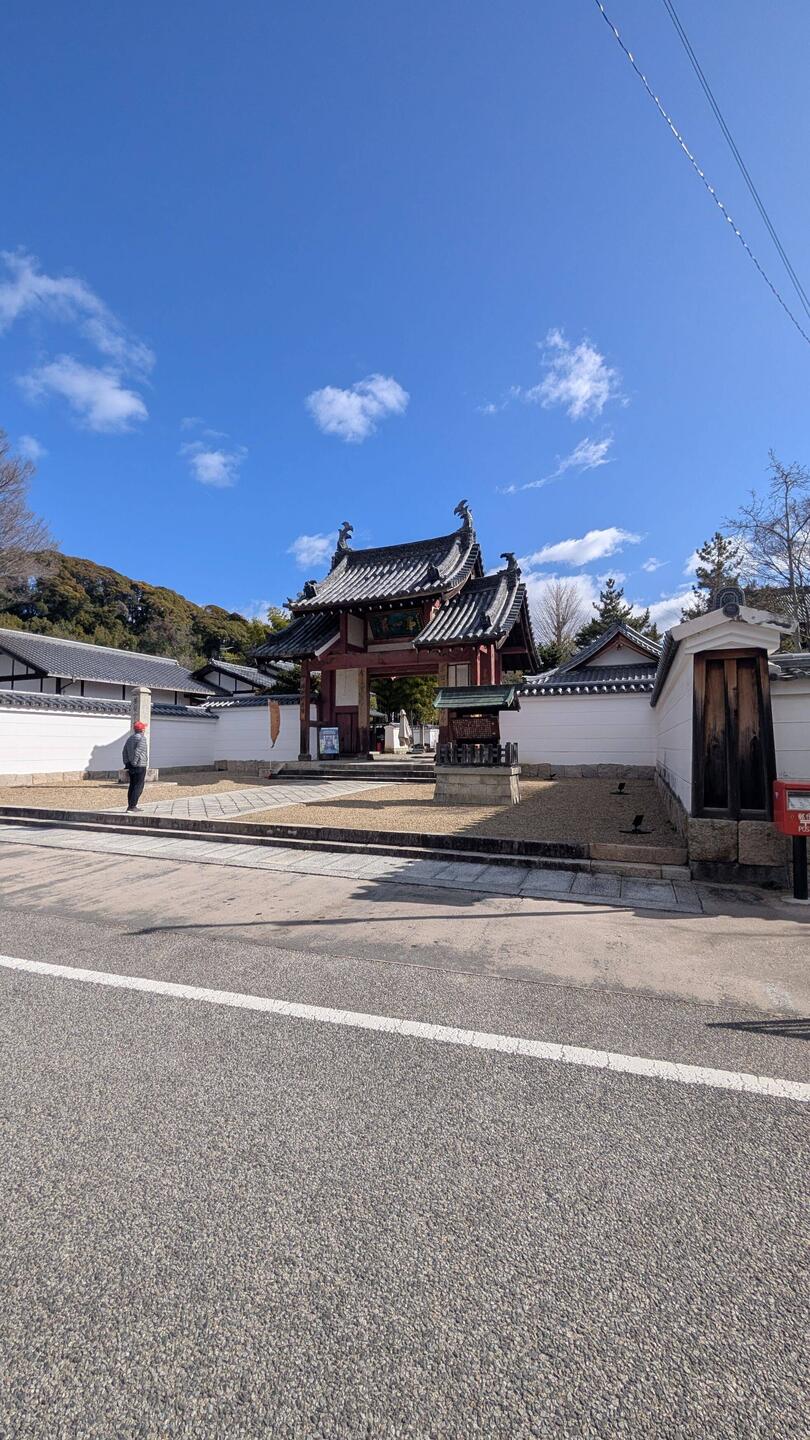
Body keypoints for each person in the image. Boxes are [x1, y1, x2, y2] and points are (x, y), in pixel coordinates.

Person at [122, 720, 149, 812]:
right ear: (142, 730)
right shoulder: (142, 739)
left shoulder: (130, 738)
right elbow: (138, 752)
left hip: (130, 764)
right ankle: (132, 806)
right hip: (140, 765)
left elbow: (124, 751)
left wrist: (127, 763)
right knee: (139, 786)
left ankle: (130, 805)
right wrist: (134, 762)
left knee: (132, 785)